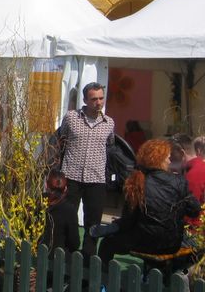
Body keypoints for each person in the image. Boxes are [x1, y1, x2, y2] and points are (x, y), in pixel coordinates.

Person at [96, 139, 200, 267]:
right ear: (159, 160)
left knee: (107, 243)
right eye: (167, 158)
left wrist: (114, 226)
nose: (170, 161)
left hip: (142, 241)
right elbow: (195, 211)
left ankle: (103, 277)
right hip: (170, 244)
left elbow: (128, 220)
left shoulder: (136, 182)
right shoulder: (179, 181)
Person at [59, 81, 114, 259]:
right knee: (67, 216)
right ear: (85, 100)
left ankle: (89, 257)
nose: (98, 102)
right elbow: (61, 138)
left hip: (96, 179)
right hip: (71, 175)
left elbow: (110, 145)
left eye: (101, 98)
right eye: (94, 99)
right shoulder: (71, 118)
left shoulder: (109, 123)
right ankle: (66, 253)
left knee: (93, 221)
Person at [39, 170, 80, 257]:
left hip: (35, 254)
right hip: (60, 258)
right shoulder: (69, 210)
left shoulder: (36, 202)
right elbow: (74, 243)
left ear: (46, 185)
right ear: (65, 188)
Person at [172, 134, 205, 228]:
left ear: (181, 152)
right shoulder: (198, 167)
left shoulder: (193, 174)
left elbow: (191, 213)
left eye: (172, 154)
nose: (170, 159)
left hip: (196, 229)